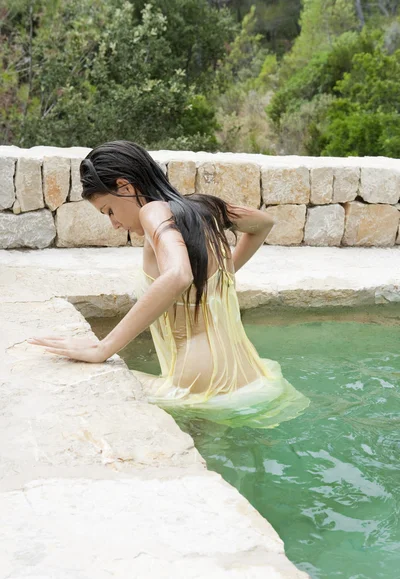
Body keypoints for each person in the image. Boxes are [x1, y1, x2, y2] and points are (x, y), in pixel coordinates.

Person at [28, 140, 309, 429]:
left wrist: (104, 347)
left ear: (125, 187)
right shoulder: (204, 207)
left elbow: (178, 276)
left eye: (109, 210)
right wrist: (223, 272)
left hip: (197, 374)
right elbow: (263, 222)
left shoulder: (152, 212)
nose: (113, 223)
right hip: (242, 368)